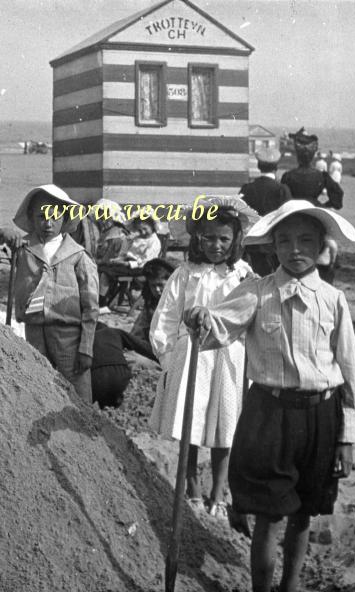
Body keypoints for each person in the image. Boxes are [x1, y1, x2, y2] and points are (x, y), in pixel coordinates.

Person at [185, 199, 355, 592]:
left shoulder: (334, 300)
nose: (295, 250)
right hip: (268, 416)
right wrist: (199, 317)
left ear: (321, 246)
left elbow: (349, 373)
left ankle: (291, 585)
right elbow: (219, 326)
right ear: (272, 247)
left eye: (305, 241)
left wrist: (345, 438)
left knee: (305, 513)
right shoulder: (257, 292)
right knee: (269, 515)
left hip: (320, 416)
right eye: (284, 241)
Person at [149, 197, 259, 518]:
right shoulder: (185, 274)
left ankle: (219, 490)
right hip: (191, 355)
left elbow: (250, 316)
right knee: (191, 422)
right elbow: (165, 319)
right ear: (197, 237)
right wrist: (168, 360)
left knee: (226, 424)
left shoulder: (243, 275)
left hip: (229, 358)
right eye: (208, 238)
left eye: (224, 239)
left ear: (236, 239)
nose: (216, 245)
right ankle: (192, 485)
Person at [11, 184, 99, 402]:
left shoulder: (78, 256)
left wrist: (86, 348)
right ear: (31, 218)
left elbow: (91, 307)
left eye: (54, 216)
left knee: (77, 396)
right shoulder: (23, 250)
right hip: (33, 333)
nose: (47, 223)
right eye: (41, 216)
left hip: (68, 336)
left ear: (65, 217)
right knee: (38, 392)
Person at [282, 128, 342, 284]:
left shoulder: (288, 176)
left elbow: (283, 202)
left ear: (297, 154)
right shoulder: (321, 176)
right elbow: (338, 198)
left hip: (294, 218)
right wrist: (321, 205)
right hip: (316, 218)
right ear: (314, 154)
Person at [240, 147, 292, 276]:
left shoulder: (247, 188)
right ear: (276, 167)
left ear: (258, 166)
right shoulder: (282, 189)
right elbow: (289, 217)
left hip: (254, 244)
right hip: (276, 244)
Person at [98, 215, 162, 309]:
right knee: (103, 267)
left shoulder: (154, 241)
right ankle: (103, 299)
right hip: (128, 264)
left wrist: (127, 263)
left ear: (153, 226)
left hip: (143, 268)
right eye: (139, 230)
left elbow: (147, 261)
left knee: (107, 272)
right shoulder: (137, 238)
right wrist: (120, 258)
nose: (143, 232)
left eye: (145, 229)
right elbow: (126, 253)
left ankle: (102, 302)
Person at [91, 321, 156, 409]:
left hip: (96, 378)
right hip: (121, 374)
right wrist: (161, 357)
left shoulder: (86, 338)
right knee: (115, 400)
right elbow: (141, 346)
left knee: (101, 403)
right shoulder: (115, 332)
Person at [281, 128, 343, 209]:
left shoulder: (288, 176)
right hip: (314, 211)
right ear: (312, 156)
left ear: (298, 156)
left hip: (294, 212)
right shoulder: (322, 176)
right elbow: (338, 195)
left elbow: (281, 199)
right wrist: (323, 206)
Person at [130, 258, 176, 342]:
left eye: (160, 285)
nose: (157, 290)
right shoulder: (151, 303)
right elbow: (140, 327)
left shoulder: (180, 302)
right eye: (153, 286)